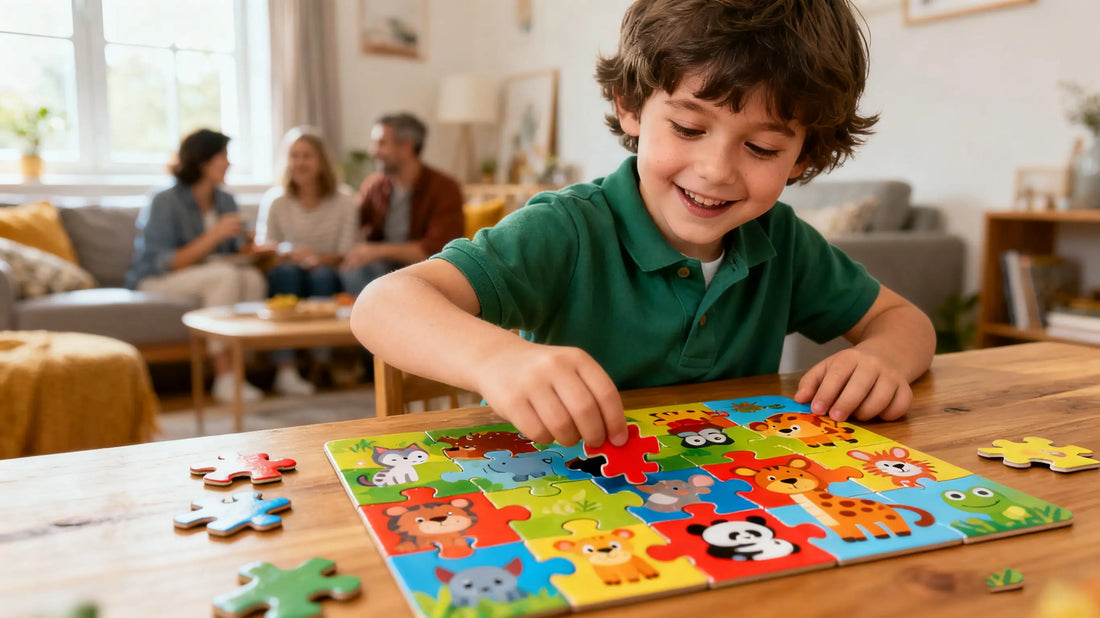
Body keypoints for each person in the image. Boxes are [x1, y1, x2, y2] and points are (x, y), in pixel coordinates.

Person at [349, 0, 936, 448]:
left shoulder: (782, 241)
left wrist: (882, 359)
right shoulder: (568, 229)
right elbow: (384, 303)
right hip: (567, 505)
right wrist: (496, 359)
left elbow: (902, 320)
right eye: (688, 129)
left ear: (803, 156)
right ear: (629, 108)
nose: (716, 171)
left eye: (761, 148)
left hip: (730, 501)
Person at [126, 128, 269, 403]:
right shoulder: (165, 201)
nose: (229, 163)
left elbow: (228, 253)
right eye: (223, 156)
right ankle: (224, 374)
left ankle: (242, 370)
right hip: (157, 278)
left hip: (205, 274)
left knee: (252, 279)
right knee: (224, 277)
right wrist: (214, 234)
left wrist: (249, 245)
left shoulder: (225, 199)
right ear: (202, 160)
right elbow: (168, 261)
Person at [255, 127, 359, 396]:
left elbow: (347, 250)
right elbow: (265, 247)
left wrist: (317, 258)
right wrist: (291, 252)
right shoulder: (276, 200)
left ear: (322, 160)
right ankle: (285, 368)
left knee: (322, 277)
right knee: (286, 275)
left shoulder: (345, 199)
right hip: (287, 268)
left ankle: (320, 363)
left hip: (327, 270)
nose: (299, 163)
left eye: (307, 156)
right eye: (294, 156)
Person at [339, 112, 464, 295]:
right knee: (352, 272)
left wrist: (377, 251)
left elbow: (437, 250)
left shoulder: (445, 188)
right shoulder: (375, 186)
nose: (373, 151)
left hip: (425, 269)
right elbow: (352, 223)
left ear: (406, 147)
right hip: (380, 270)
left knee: (388, 283)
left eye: (381, 143)